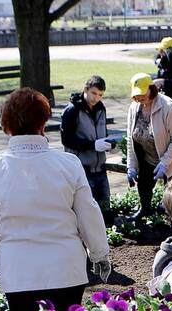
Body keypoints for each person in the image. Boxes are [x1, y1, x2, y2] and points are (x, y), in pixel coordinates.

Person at [0, 88, 112, 311]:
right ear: (44, 122)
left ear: (6, 125)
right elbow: (89, 214)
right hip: (66, 267)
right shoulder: (69, 164)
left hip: (18, 273)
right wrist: (100, 254)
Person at [125, 74, 172, 220]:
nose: (139, 97)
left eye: (143, 93)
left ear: (152, 89)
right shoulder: (134, 108)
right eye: (136, 94)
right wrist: (131, 166)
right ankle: (145, 210)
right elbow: (131, 139)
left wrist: (164, 163)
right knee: (143, 185)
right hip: (149, 156)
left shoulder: (169, 107)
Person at [60, 75, 113, 219]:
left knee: (105, 213)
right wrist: (93, 145)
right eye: (94, 93)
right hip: (81, 169)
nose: (96, 98)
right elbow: (66, 140)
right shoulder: (72, 110)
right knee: (86, 214)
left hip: (100, 168)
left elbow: (102, 131)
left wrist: (107, 143)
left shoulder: (101, 108)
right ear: (86, 89)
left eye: (100, 95)